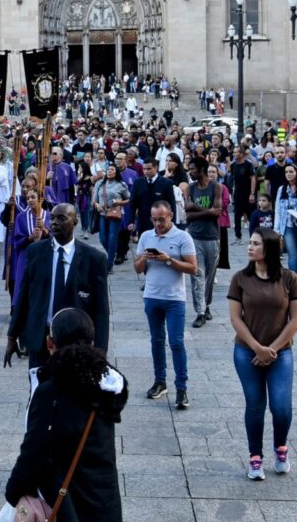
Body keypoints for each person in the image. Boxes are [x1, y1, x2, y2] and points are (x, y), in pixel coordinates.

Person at [5, 309, 127, 522]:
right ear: (93, 342)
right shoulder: (106, 386)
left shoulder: (52, 391)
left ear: (50, 343)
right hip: (101, 507)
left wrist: (14, 492)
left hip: (65, 513)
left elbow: (33, 452)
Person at [227, 228, 297, 481]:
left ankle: (280, 448)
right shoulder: (240, 279)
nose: (250, 247)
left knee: (281, 407)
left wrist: (273, 349)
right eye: (249, 243)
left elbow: (296, 320)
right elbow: (235, 319)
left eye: (255, 244)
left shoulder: (289, 279)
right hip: (246, 352)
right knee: (255, 404)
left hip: (281, 353)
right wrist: (257, 347)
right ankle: (255, 457)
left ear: (269, 248)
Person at [5, 203, 109, 383]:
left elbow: (101, 310)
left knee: (72, 397)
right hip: (41, 338)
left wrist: (100, 351)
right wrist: (12, 335)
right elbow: (23, 296)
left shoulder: (94, 259)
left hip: (76, 342)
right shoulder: (36, 251)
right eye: (52, 218)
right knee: (39, 394)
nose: (54, 223)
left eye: (61, 218)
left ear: (75, 221)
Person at [134, 201, 198, 409]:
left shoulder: (182, 237)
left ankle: (181, 387)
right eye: (154, 219)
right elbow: (137, 268)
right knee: (156, 340)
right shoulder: (146, 236)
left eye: (162, 219)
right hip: (152, 296)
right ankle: (159, 381)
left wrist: (168, 260)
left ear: (171, 215)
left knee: (176, 342)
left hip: (174, 299)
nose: (158, 224)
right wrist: (145, 257)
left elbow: (192, 268)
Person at [185, 156, 222, 328]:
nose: (190, 172)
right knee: (197, 274)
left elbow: (217, 212)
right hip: (194, 236)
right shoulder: (190, 187)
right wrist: (206, 211)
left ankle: (206, 305)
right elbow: (187, 212)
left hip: (212, 236)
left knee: (209, 275)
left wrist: (196, 209)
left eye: (192, 168)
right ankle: (199, 311)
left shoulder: (216, 187)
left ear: (201, 169)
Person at [92, 165, 130, 272]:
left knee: (112, 237)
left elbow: (129, 199)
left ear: (116, 172)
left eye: (112, 170)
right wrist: (97, 205)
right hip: (102, 214)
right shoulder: (100, 184)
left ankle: (109, 264)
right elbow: (94, 200)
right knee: (103, 239)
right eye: (108, 169)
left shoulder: (121, 184)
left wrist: (119, 202)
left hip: (115, 214)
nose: (109, 171)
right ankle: (113, 253)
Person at [128, 157, 176, 235]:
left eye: (149, 169)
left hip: (161, 222)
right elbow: (132, 203)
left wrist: (172, 222)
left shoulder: (166, 183)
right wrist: (131, 221)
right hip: (143, 222)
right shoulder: (138, 183)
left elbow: (171, 205)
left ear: (156, 168)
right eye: (144, 169)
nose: (146, 171)